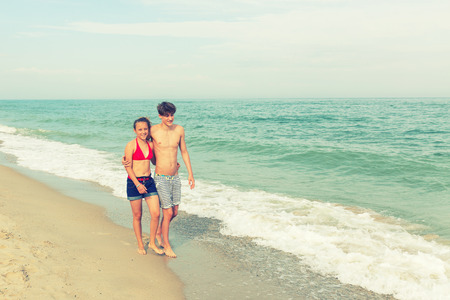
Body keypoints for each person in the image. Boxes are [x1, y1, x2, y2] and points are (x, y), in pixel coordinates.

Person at [123, 102, 195, 258]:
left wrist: (190, 173)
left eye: (172, 115)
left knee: (171, 212)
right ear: (160, 116)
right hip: (156, 178)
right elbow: (139, 140)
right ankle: (160, 243)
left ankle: (156, 234)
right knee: (158, 213)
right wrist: (125, 161)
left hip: (170, 177)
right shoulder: (153, 131)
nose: (170, 118)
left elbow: (182, 151)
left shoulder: (179, 130)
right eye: (167, 115)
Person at [124, 117, 164, 255]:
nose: (143, 132)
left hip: (149, 181)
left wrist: (171, 165)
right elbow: (128, 167)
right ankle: (140, 244)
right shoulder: (131, 145)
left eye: (145, 129)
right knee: (137, 215)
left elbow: (154, 162)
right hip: (134, 182)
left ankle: (152, 242)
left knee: (156, 213)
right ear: (135, 130)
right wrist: (137, 184)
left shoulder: (150, 145)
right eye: (140, 129)